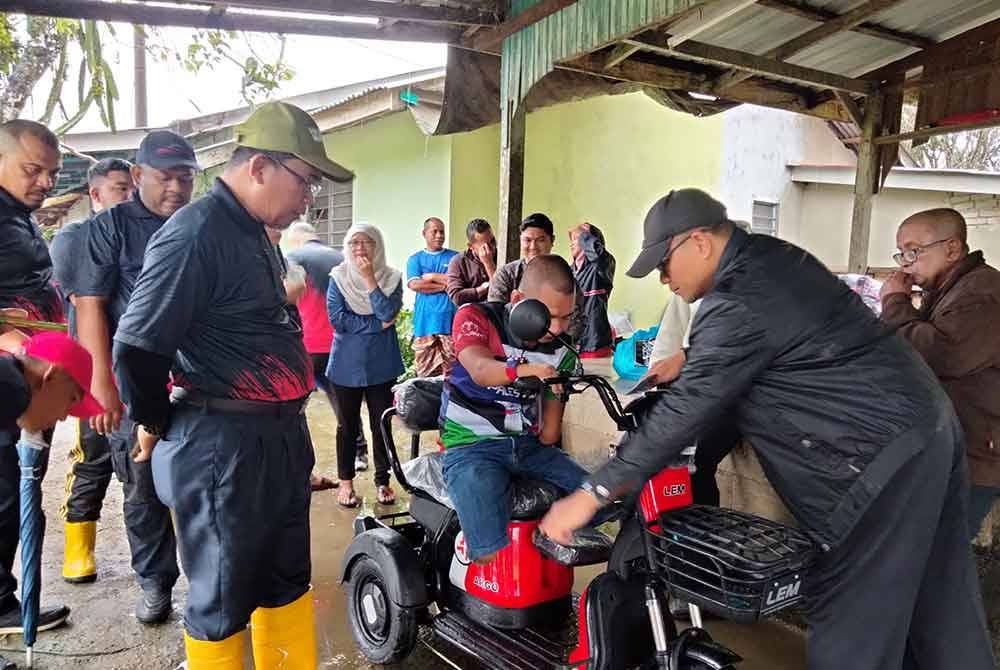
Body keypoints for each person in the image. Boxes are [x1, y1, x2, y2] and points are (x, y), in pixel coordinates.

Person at [539, 188, 995, 670]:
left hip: (875, 461)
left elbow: (685, 412)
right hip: (929, 434)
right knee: (942, 609)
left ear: (699, 242)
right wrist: (692, 358)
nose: (663, 278)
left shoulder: (736, 295)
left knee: (850, 628)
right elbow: (793, 337)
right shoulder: (774, 260)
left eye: (664, 262)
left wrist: (592, 493)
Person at [113, 101, 352, 668]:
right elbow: (136, 346)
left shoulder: (254, 233)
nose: (309, 197)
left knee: (285, 577)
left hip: (275, 438)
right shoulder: (196, 234)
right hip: (222, 442)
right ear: (260, 168)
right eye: (306, 180)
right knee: (222, 595)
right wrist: (159, 422)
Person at [60, 130, 197, 620]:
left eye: (186, 177)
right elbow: (91, 304)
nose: (176, 189)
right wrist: (101, 386)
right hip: (133, 377)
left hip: (198, 378)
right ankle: (156, 582)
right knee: (140, 483)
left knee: (204, 479)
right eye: (165, 177)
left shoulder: (200, 224)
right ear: (138, 177)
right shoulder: (110, 228)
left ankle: (210, 582)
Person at [442, 255, 586, 565]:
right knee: (488, 544)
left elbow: (549, 436)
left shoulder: (563, 350)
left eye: (567, 317)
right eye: (549, 316)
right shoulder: (475, 316)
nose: (558, 327)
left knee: (596, 497)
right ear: (518, 299)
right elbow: (480, 369)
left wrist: (556, 393)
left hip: (529, 448)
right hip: (471, 447)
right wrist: (526, 370)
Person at [881, 208, 1000, 541]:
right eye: (902, 253)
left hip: (974, 455)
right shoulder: (952, 289)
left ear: (951, 248)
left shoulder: (982, 293)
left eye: (914, 251)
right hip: (951, 446)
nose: (905, 263)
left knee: (938, 552)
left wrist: (894, 301)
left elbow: (935, 355)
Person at [0, 119, 72, 636]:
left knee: (16, 493)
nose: (46, 181)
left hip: (28, 376)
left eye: (52, 172)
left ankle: (5, 600)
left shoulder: (19, 216)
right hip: (9, 368)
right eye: (33, 169)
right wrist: (11, 341)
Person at [50, 158, 134, 585]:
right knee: (92, 459)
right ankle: (78, 549)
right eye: (120, 189)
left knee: (144, 463)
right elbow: (84, 297)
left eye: (132, 188)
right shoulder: (73, 238)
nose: (129, 196)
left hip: (138, 368)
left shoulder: (143, 234)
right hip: (91, 371)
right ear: (96, 195)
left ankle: (153, 559)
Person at [284, 221, 370, 486]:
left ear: (296, 240)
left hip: (306, 346)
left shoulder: (292, 258)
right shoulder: (340, 258)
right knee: (345, 404)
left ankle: (299, 467)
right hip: (341, 344)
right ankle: (360, 454)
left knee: (293, 409)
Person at [326, 223, 404, 508]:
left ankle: (383, 480)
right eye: (354, 243)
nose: (360, 248)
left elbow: (387, 311)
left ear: (378, 245)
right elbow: (338, 319)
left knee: (380, 423)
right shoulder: (338, 277)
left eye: (367, 242)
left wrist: (370, 279)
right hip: (346, 364)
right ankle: (345, 482)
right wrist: (379, 325)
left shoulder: (392, 277)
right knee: (346, 426)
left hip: (381, 364)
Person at [407, 216, 459, 377]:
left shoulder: (455, 258)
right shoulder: (415, 259)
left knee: (454, 376)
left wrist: (430, 276)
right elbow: (415, 285)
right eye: (434, 231)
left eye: (442, 232)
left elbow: (458, 282)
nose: (439, 235)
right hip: (425, 326)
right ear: (424, 233)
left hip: (449, 325)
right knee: (425, 376)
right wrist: (445, 286)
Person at [568, 223, 615, 357]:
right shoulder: (569, 271)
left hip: (595, 344)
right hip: (572, 345)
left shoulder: (602, 266)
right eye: (572, 240)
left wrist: (584, 234)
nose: (571, 243)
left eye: (577, 238)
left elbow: (599, 256)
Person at [487, 213, 555, 303]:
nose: (533, 246)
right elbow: (495, 312)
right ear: (520, 240)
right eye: (527, 240)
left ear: (552, 240)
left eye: (540, 240)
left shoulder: (563, 275)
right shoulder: (506, 275)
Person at [446, 218, 497, 306]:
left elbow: (502, 290)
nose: (491, 248)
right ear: (471, 246)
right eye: (485, 246)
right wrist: (482, 289)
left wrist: (489, 264)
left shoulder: (503, 256)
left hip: (499, 313)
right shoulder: (458, 261)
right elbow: (457, 297)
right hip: (472, 315)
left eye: (493, 241)